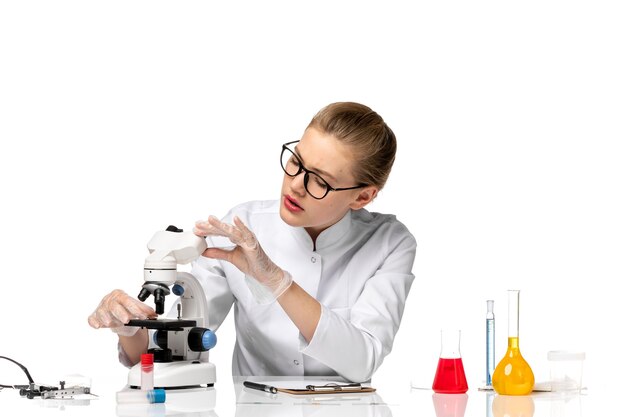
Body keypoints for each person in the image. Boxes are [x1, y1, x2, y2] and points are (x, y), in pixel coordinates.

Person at [88, 102, 417, 382]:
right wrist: (128, 328)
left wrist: (274, 279)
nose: (296, 186)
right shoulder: (240, 229)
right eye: (296, 162)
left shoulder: (389, 242)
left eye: (320, 181)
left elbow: (362, 361)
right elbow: (172, 352)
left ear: (363, 196)